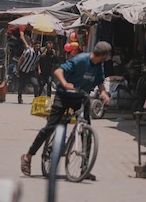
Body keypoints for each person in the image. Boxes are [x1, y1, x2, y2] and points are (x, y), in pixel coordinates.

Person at [20, 41, 113, 176]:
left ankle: (84, 167)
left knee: (86, 131)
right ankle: (28, 156)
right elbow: (58, 71)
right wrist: (65, 83)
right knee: (50, 127)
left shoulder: (99, 65)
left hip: (81, 98)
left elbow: (100, 82)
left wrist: (103, 93)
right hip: (63, 95)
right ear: (103, 55)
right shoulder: (80, 60)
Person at [15, 33, 40, 104]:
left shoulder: (38, 54)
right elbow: (20, 60)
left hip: (31, 71)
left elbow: (37, 61)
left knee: (35, 84)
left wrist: (38, 69)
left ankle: (36, 99)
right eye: (37, 46)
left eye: (39, 46)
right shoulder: (28, 52)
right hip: (23, 70)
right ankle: (19, 97)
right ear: (34, 46)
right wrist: (18, 70)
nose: (38, 47)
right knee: (22, 85)